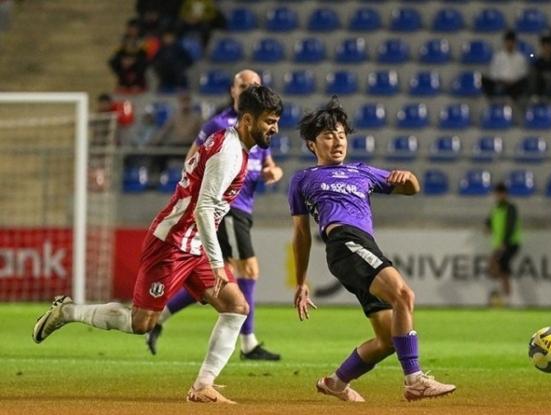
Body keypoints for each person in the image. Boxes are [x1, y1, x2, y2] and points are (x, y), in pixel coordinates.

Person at [32, 85, 283, 404]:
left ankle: (202, 386)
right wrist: (218, 262)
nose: (275, 129)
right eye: (269, 121)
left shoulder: (233, 145)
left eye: (276, 122)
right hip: (173, 243)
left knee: (236, 307)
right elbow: (204, 208)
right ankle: (68, 311)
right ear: (247, 120)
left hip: (194, 243)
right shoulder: (229, 152)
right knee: (141, 323)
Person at [288, 97, 456, 402]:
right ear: (312, 144)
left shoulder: (362, 171)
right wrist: (301, 282)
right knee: (404, 295)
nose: (337, 141)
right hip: (344, 243)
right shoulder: (303, 179)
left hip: (364, 246)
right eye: (328, 136)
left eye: (341, 135)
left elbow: (411, 188)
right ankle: (414, 381)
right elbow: (301, 234)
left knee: (389, 338)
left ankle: (336, 382)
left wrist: (408, 178)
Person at [145, 69, 284, 361]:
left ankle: (160, 318)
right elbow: (192, 160)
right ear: (233, 90)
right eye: (243, 85)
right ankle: (248, 343)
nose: (248, 89)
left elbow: (268, 162)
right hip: (228, 207)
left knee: (222, 279)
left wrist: (273, 172)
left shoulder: (261, 124)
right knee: (249, 270)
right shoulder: (219, 125)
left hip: (244, 206)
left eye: (254, 85)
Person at [485, 183, 521, 307]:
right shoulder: (495, 208)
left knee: (499, 267)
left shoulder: (510, 208)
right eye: (497, 194)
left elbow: (510, 226)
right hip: (500, 244)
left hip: (510, 244)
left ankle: (504, 297)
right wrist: (487, 227)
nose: (498, 196)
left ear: (505, 194)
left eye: (500, 194)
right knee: (499, 269)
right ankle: (503, 296)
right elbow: (489, 221)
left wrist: (504, 243)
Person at [482, 31, 528, 101]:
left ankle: (513, 100)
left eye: (512, 42)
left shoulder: (521, 58)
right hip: (500, 83)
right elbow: (493, 73)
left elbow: (523, 74)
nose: (510, 44)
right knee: (485, 80)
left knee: (524, 82)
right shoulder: (498, 56)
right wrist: (502, 80)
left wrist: (513, 81)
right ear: (505, 42)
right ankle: (493, 102)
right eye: (508, 42)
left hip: (515, 84)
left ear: (515, 43)